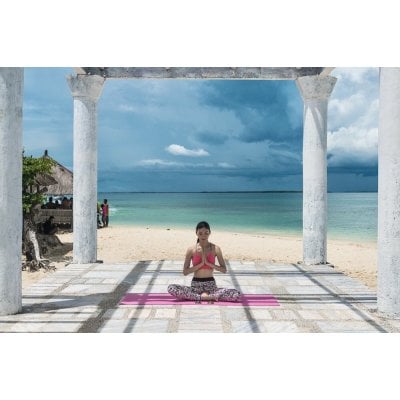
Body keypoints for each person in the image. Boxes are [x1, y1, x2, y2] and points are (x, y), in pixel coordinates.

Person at [168, 221, 241, 303]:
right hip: (196, 286)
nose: (203, 235)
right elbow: (185, 272)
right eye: (200, 233)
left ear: (210, 233)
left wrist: (209, 264)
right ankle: (208, 297)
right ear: (196, 233)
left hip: (211, 286)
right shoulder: (191, 249)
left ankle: (199, 297)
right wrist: (200, 265)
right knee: (171, 288)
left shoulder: (216, 248)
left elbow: (224, 270)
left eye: (206, 233)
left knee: (236, 294)